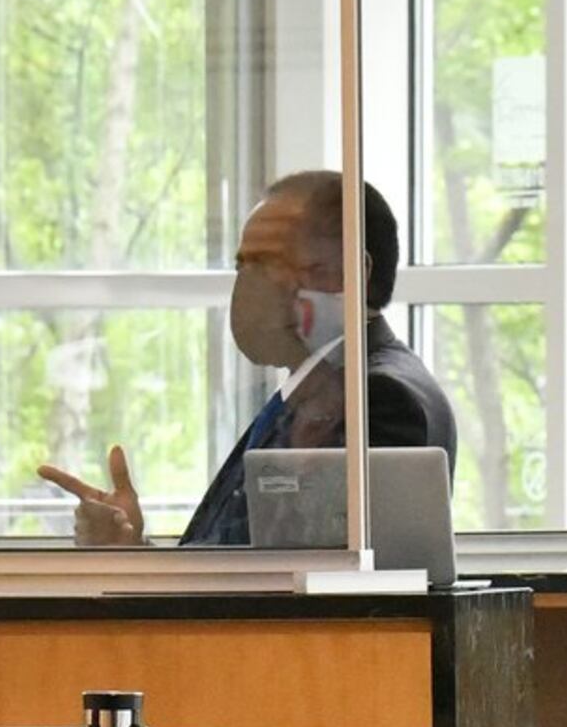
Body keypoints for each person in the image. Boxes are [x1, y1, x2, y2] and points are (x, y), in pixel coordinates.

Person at [38, 171, 458, 549]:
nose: (247, 286)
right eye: (243, 265)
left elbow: (312, 588)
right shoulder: (315, 389)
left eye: (267, 263)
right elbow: (250, 559)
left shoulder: (378, 398)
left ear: (350, 272)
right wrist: (131, 548)